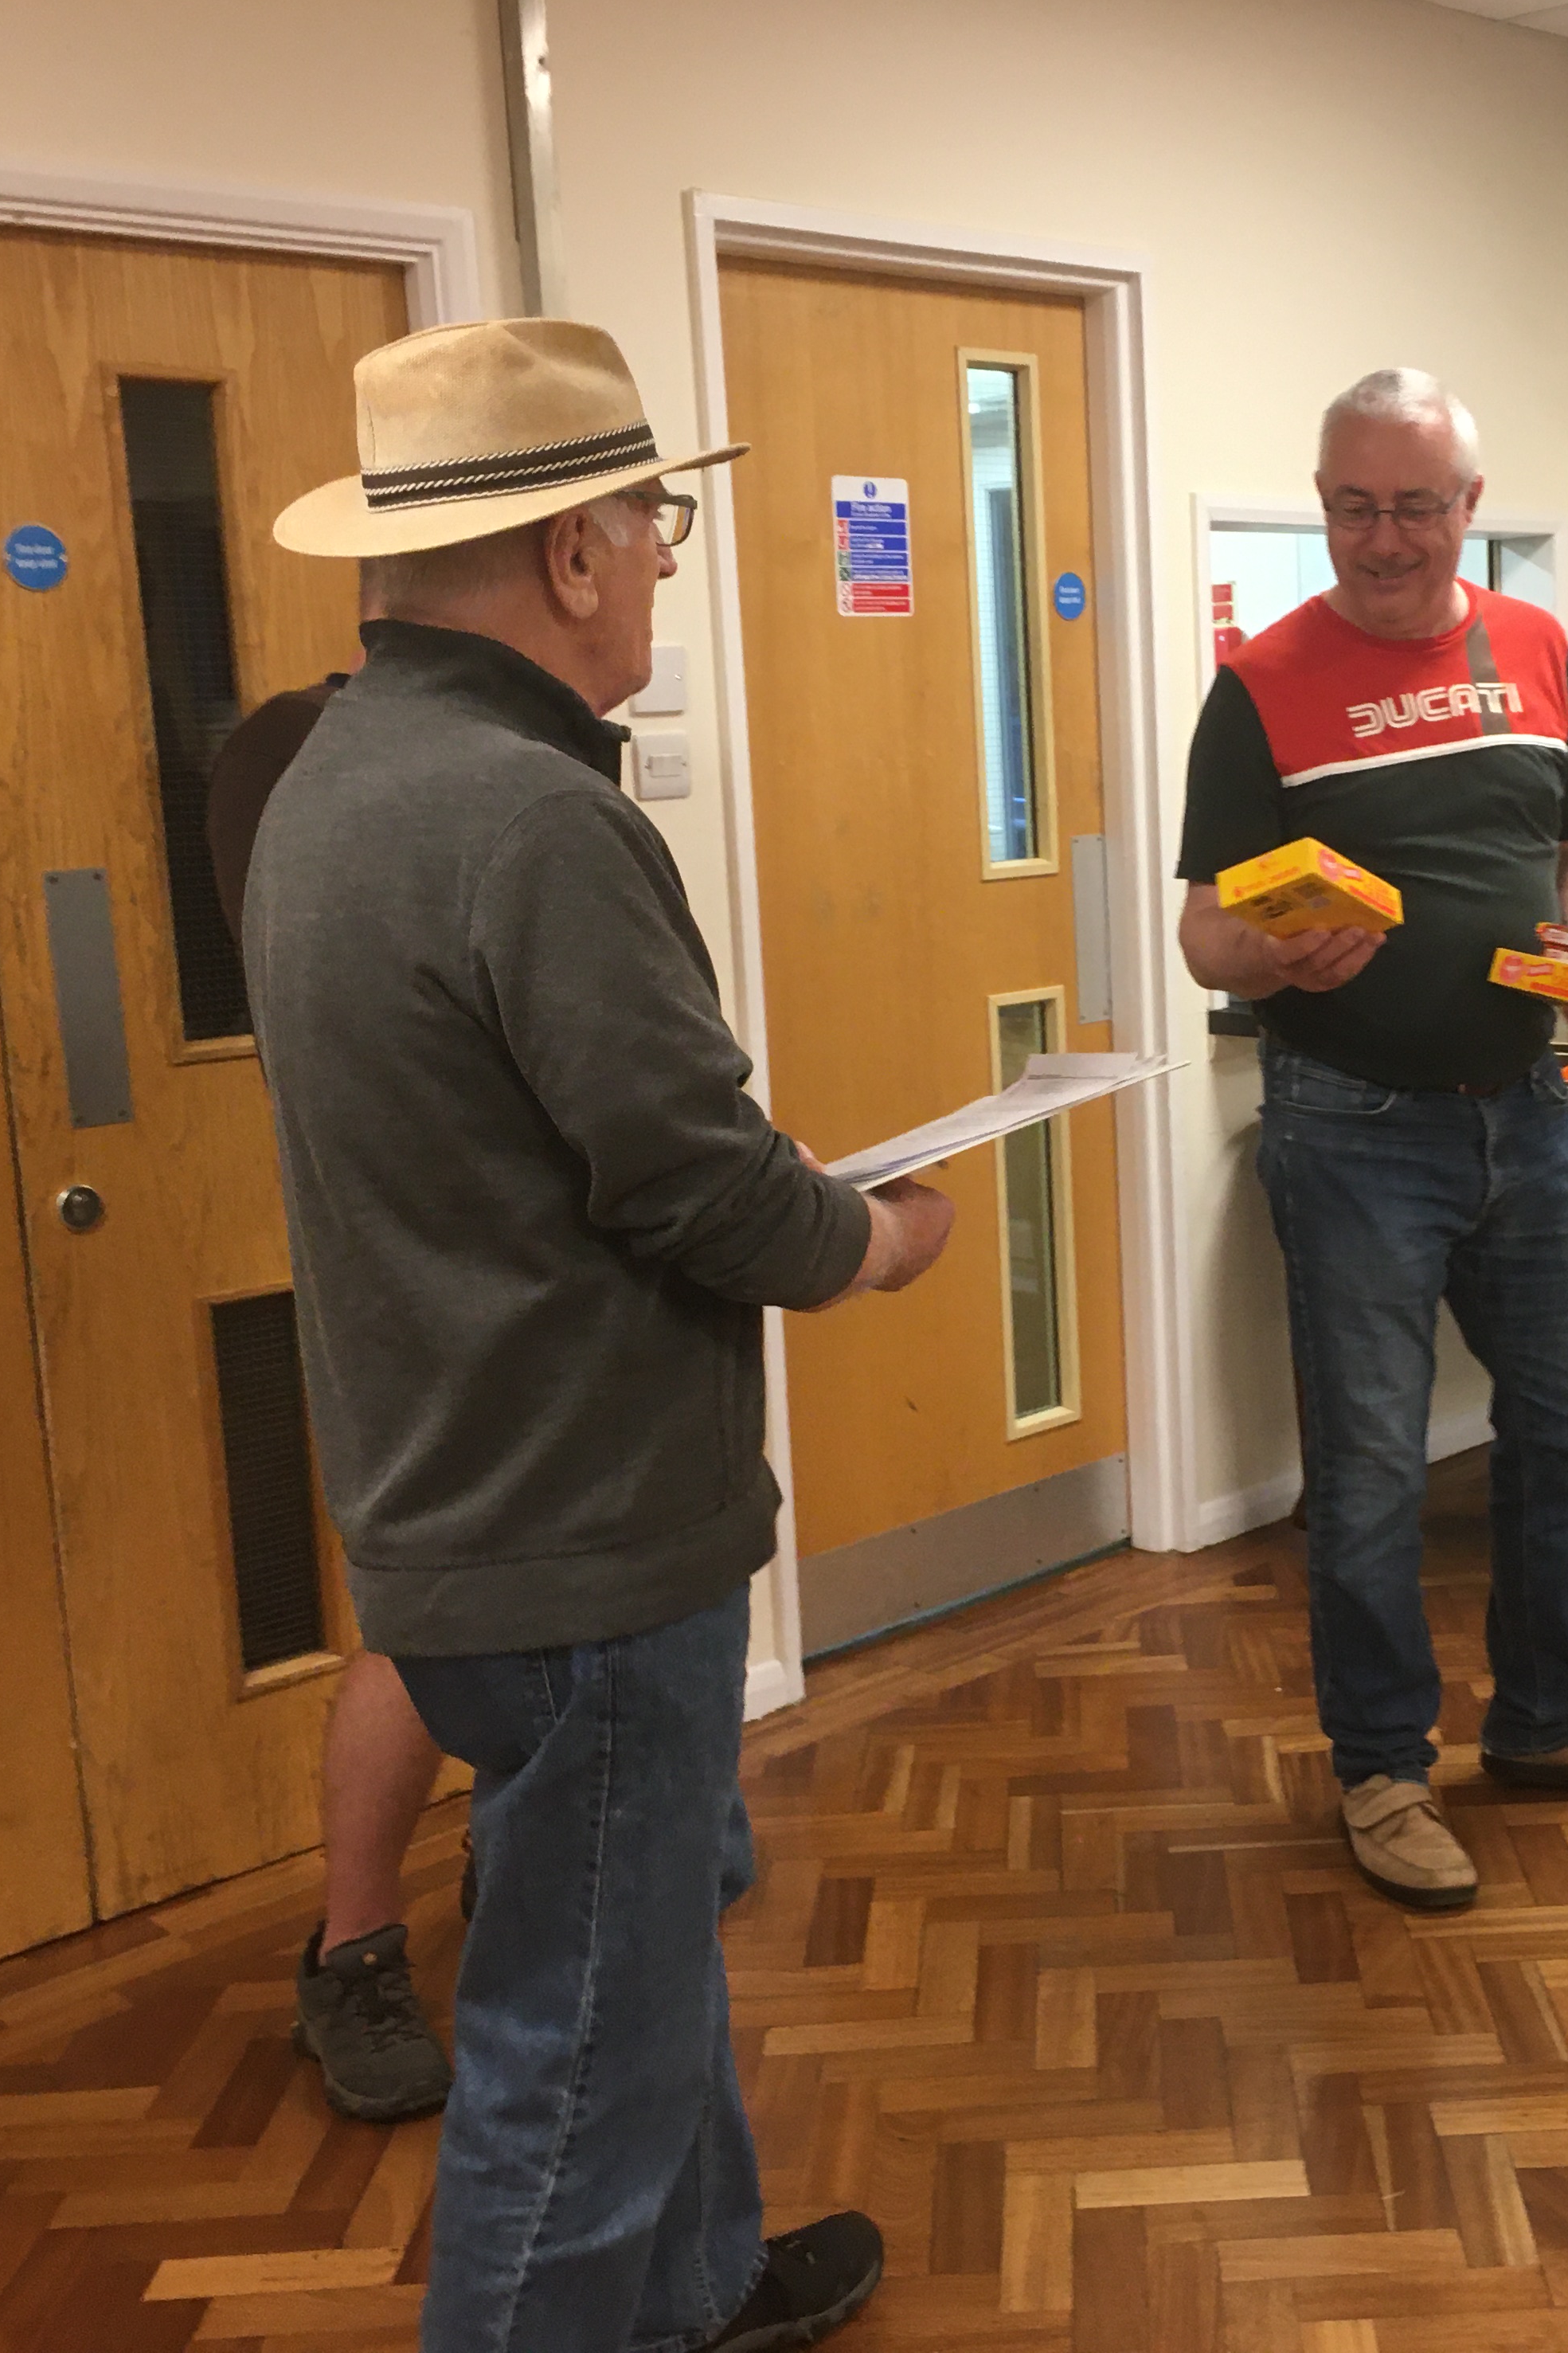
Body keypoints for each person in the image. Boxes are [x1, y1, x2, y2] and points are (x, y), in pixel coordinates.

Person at [252, 317, 953, 2353]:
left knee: (636, 1966)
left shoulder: (328, 778)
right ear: (572, 553)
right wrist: (878, 1238)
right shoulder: (536, 816)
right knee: (568, 2061)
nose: (658, 563)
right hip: (584, 1532)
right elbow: (698, 1193)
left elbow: (535, 1138)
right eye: (652, 527)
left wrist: (735, 1167)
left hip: (455, 1502)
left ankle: (703, 2289)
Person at [1173, 368, 1568, 1916]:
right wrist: (1278, 955)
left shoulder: (1534, 647)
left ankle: (1551, 1718)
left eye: (1417, 507)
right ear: (1324, 502)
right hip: (1351, 1128)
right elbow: (1206, 931)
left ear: (1470, 506)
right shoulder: (1261, 683)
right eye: (1355, 507)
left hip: (1530, 1109)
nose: (1385, 538)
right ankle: (1382, 1770)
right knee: (1368, 1472)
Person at [204, 668, 460, 2128]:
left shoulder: (518, 768)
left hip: (528, 1282)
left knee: (546, 1609)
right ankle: (351, 1953)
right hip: (411, 1266)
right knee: (418, 1609)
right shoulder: (301, 759)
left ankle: (530, 1863)